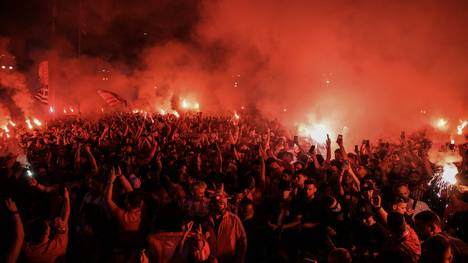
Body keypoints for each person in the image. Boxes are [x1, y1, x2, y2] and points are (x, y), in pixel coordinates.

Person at [23, 187, 70, 263]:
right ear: (46, 233)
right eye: (48, 227)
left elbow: (22, 231)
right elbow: (65, 218)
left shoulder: (27, 251)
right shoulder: (56, 247)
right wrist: (67, 199)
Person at [203, 192, 247, 263]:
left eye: (223, 203)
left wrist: (240, 260)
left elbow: (242, 240)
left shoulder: (234, 219)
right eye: (219, 203)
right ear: (213, 204)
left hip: (229, 260)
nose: (221, 205)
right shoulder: (205, 220)